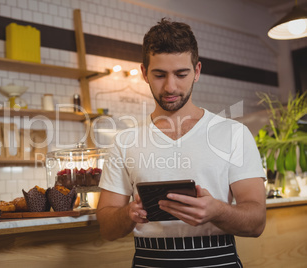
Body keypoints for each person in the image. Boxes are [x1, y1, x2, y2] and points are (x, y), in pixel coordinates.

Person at [96, 18, 266, 268]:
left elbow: (257, 222)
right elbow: (107, 227)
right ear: (144, 73)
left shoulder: (234, 134)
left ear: (197, 71)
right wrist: (128, 213)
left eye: (181, 74)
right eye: (159, 74)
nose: (170, 86)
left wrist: (217, 211)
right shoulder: (125, 141)